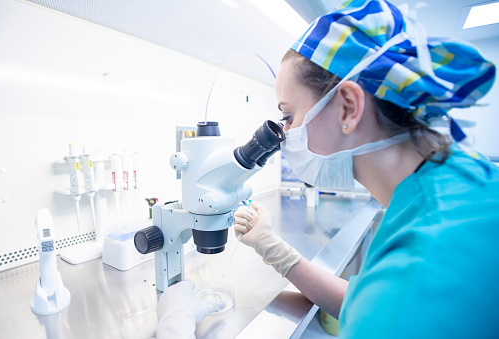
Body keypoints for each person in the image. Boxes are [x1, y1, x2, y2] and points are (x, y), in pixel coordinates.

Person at [156, 0, 498, 337]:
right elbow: (365, 304)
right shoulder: (463, 177)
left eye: (288, 117)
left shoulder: (415, 273)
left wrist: (175, 325)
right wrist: (277, 252)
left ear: (348, 107)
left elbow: (387, 312)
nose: (284, 134)